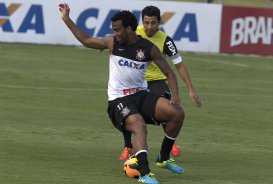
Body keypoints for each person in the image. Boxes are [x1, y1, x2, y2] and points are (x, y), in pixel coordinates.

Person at [59, 3, 185, 184]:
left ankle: (164, 158)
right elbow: (86, 40)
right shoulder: (111, 43)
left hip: (141, 95)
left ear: (128, 29)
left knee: (177, 113)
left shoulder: (149, 49)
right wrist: (66, 19)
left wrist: (175, 94)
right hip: (118, 100)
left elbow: (169, 73)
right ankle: (144, 173)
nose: (115, 33)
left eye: (117, 30)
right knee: (139, 125)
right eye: (113, 30)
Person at [119, 5, 202, 161]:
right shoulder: (134, 32)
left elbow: (179, 65)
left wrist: (191, 89)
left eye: (153, 23)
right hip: (136, 79)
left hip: (156, 80)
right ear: (142, 21)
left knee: (169, 107)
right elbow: (116, 39)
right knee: (128, 109)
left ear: (159, 23)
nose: (150, 26)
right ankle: (127, 146)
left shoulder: (165, 40)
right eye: (146, 22)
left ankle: (170, 143)